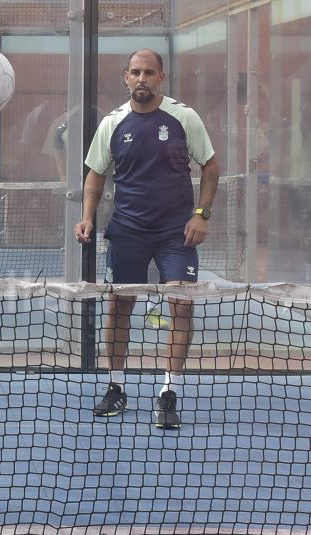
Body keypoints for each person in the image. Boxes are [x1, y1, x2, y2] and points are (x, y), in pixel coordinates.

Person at [74, 49, 220, 430]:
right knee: (119, 308)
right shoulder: (112, 123)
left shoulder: (183, 117)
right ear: (126, 77)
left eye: (149, 73)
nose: (142, 78)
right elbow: (95, 174)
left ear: (161, 77)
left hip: (177, 232)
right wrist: (87, 217)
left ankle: (168, 393)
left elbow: (210, 166)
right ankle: (116, 387)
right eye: (135, 72)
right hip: (127, 231)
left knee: (181, 306)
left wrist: (201, 215)